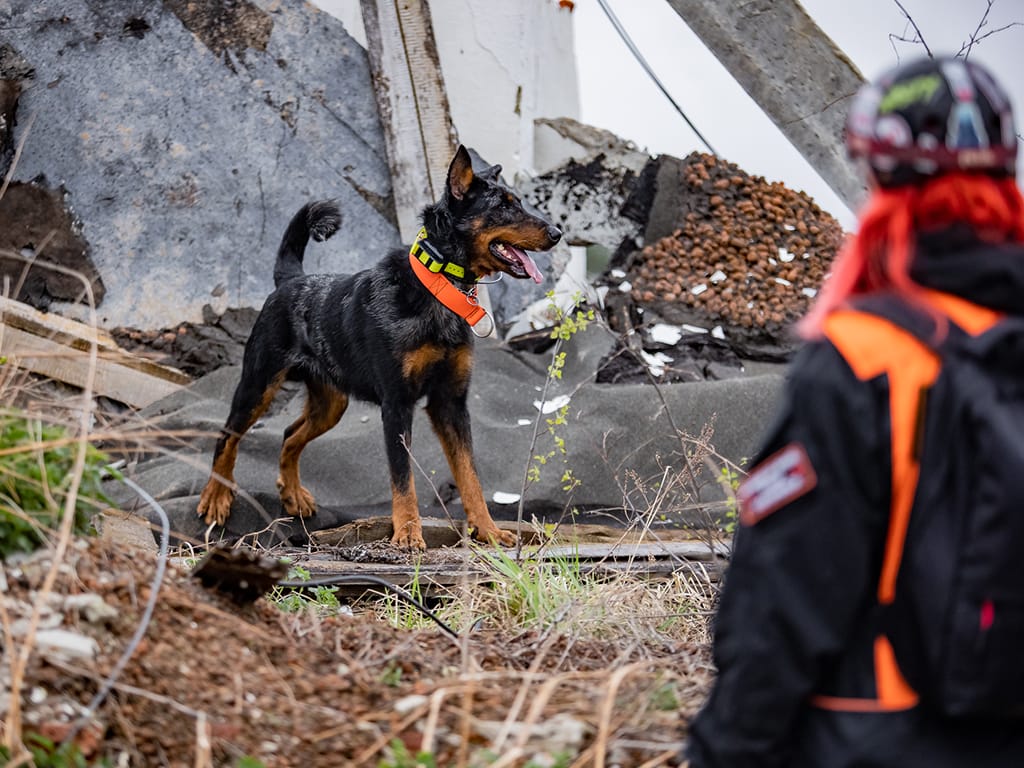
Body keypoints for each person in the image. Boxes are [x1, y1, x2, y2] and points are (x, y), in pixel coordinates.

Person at [684, 54, 1024, 768]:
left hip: (877, 735)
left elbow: (784, 602)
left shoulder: (867, 356)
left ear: (876, 171)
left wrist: (724, 749)